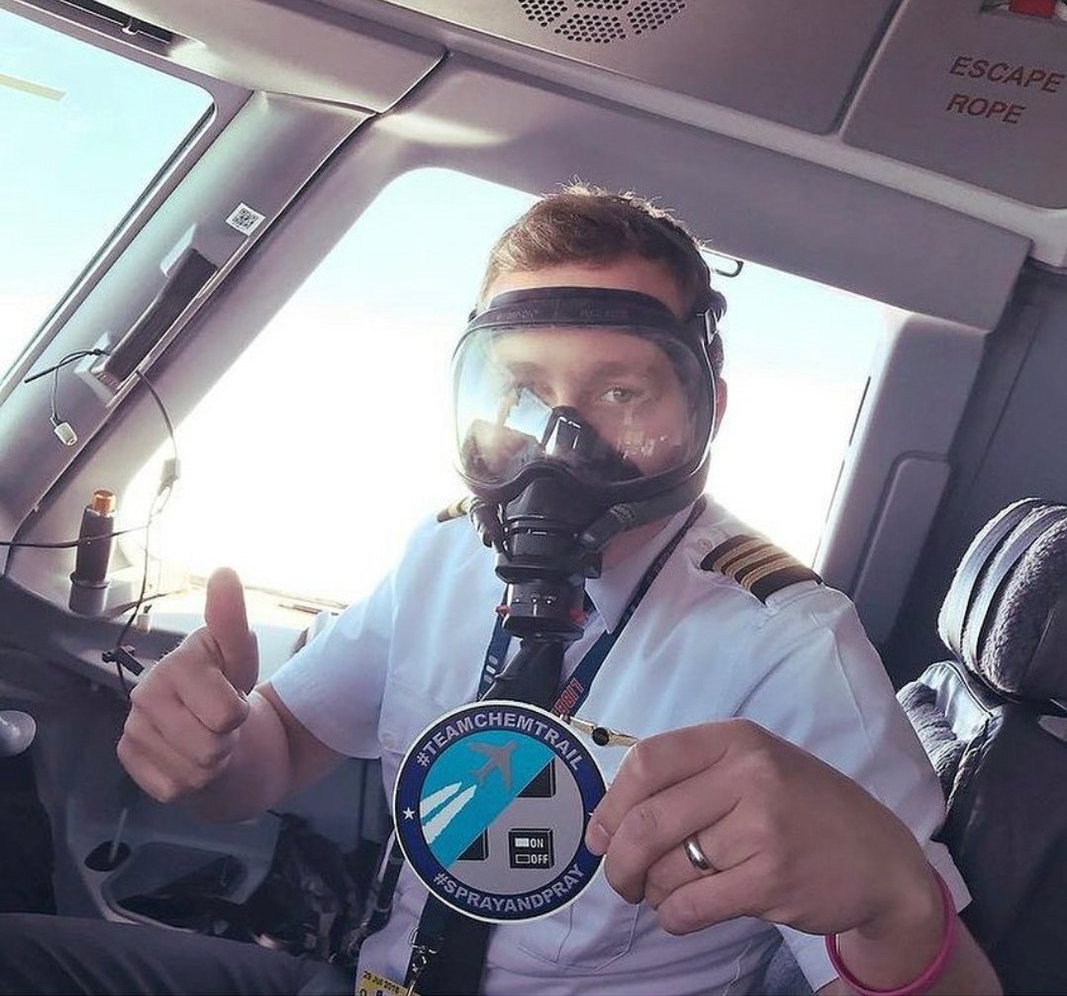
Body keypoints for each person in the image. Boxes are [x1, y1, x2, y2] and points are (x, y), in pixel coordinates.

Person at [0, 186, 1002, 995]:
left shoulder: (789, 645)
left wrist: (895, 906)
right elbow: (276, 756)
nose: (558, 443)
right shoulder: (443, 555)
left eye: (620, 392)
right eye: (521, 390)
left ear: (706, 410)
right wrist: (206, 752)